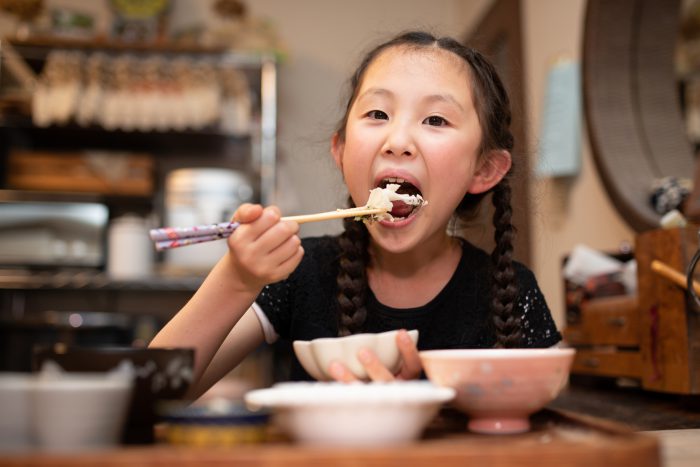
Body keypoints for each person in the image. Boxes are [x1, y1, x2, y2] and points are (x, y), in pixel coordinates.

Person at [149, 30, 562, 399]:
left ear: (483, 169)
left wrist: (425, 407)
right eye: (377, 114)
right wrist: (238, 279)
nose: (397, 141)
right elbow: (151, 393)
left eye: (435, 119)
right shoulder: (299, 272)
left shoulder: (510, 292)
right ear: (342, 151)